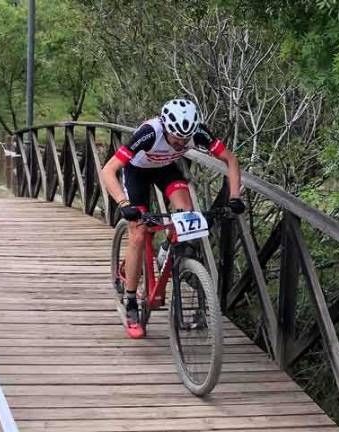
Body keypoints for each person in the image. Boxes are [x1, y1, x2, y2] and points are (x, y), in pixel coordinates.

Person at [101, 98, 245, 339]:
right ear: (165, 126)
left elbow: (230, 159)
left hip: (166, 169)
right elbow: (108, 169)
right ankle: (131, 302)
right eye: (175, 137)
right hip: (136, 172)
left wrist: (235, 196)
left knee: (187, 214)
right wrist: (124, 204)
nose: (180, 142)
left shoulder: (197, 132)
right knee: (137, 233)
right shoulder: (149, 134)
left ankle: (167, 248)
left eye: (184, 139)